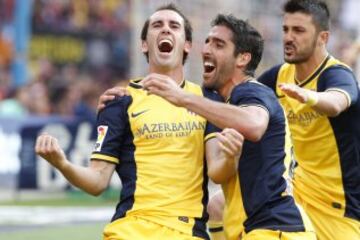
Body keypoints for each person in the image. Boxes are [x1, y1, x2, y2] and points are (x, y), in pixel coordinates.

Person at [35, 4, 243, 240]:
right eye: (157, 25)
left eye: (174, 26)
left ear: (187, 45)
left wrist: (231, 157)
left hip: (186, 231)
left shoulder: (206, 101)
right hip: (132, 229)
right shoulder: (119, 102)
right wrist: (62, 164)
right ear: (144, 44)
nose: (166, 30)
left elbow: (217, 172)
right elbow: (97, 181)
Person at [141, 14, 316, 240]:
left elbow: (254, 125)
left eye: (219, 44)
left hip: (277, 228)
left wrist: (183, 98)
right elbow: (217, 181)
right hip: (261, 230)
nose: (207, 50)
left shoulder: (251, 91)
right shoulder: (221, 106)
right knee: (215, 205)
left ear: (242, 59)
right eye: (207, 41)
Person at [258, 0, 360, 239]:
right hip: (298, 196)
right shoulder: (278, 76)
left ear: (323, 37)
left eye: (299, 30)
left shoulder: (336, 74)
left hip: (338, 209)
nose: (288, 37)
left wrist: (310, 97)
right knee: (219, 204)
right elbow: (241, 97)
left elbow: (336, 103)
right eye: (285, 30)